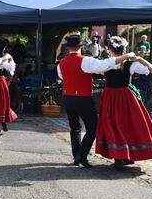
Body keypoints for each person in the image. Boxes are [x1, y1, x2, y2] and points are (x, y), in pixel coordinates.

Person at [57, 35, 137, 168]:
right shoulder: (85, 60)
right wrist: (126, 56)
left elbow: (62, 76)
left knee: (74, 127)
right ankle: (81, 156)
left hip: (68, 97)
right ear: (80, 47)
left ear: (68, 47)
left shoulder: (61, 63)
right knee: (92, 127)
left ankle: (76, 155)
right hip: (82, 98)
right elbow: (105, 65)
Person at [95, 36, 152, 170]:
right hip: (125, 97)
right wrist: (139, 58)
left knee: (113, 124)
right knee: (128, 124)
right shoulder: (131, 64)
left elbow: (96, 70)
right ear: (124, 49)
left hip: (110, 96)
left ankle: (120, 156)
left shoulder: (107, 63)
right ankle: (125, 155)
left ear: (110, 50)